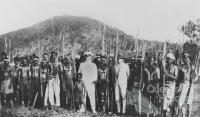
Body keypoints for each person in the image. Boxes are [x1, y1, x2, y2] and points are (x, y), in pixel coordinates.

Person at [177, 53, 197, 117]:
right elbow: (179, 78)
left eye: (188, 58)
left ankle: (188, 115)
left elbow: (196, 77)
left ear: (190, 59)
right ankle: (181, 115)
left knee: (189, 102)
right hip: (183, 85)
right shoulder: (182, 66)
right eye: (185, 58)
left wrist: (193, 78)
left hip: (190, 85)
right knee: (181, 102)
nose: (186, 59)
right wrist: (179, 86)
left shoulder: (193, 67)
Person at [163, 53, 178, 117]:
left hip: (171, 87)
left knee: (171, 103)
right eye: (167, 59)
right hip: (165, 86)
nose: (168, 60)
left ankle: (172, 115)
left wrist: (168, 75)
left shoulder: (175, 67)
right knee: (164, 104)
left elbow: (176, 77)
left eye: (169, 59)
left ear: (172, 60)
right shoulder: (165, 66)